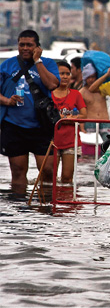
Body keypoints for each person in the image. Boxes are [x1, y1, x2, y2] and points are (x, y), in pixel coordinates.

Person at [0, 30, 60, 191]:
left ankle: (46, 207)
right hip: (13, 126)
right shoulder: (7, 65)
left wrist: (37, 61)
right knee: (18, 172)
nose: (25, 48)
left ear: (37, 47)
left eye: (29, 45)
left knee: (48, 171)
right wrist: (7, 100)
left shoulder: (47, 63)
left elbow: (52, 85)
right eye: (22, 45)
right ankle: (19, 209)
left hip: (42, 126)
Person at [51, 61, 87, 184]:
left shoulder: (76, 94)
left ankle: (65, 202)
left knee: (67, 178)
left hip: (71, 141)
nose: (65, 76)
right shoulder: (47, 94)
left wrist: (71, 119)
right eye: (62, 73)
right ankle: (50, 202)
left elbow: (84, 115)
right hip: (51, 141)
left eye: (68, 73)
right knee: (49, 177)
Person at [79, 63, 110, 134]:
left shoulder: (102, 89)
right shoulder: (81, 92)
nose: (91, 79)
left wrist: (107, 74)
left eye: (93, 77)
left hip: (105, 121)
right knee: (92, 145)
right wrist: (82, 127)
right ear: (85, 78)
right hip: (90, 123)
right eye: (88, 77)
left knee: (108, 145)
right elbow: (81, 111)